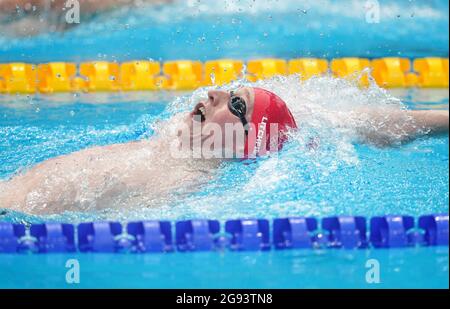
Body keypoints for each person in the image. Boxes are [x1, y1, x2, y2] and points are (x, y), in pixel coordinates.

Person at [0, 86, 448, 214]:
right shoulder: (172, 146)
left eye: (235, 105)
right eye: (228, 92)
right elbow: (351, 120)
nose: (212, 93)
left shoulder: (181, 178)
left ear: (247, 141)